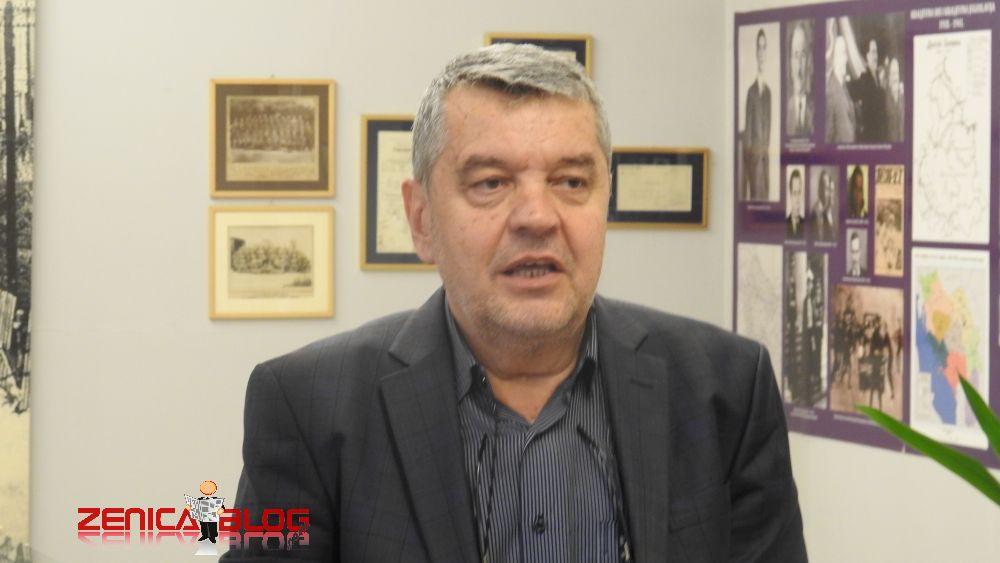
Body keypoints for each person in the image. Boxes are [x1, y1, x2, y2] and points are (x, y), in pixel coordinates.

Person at [226, 44, 807, 562]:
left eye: (571, 181)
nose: (537, 216)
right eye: (491, 183)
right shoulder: (307, 406)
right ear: (421, 219)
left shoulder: (726, 390)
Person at [743, 28, 772, 200]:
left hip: (765, 164)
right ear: (756, 52)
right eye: (759, 47)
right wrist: (750, 166)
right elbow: (747, 135)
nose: (761, 52)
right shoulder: (751, 92)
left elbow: (768, 134)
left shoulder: (768, 93)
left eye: (764, 47)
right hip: (754, 166)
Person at [848, 39, 886, 142]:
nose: (876, 56)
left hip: (881, 138)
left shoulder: (878, 79)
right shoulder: (865, 79)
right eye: (873, 52)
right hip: (871, 139)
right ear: (867, 56)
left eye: (876, 52)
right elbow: (850, 92)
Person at [825, 35, 856, 144]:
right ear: (834, 58)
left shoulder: (844, 87)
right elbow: (827, 137)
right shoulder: (830, 91)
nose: (846, 59)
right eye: (843, 53)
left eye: (845, 53)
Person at [786, 22, 814, 137]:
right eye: (795, 54)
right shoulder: (784, 111)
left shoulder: (817, 110)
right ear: (790, 62)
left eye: (803, 55)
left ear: (808, 62)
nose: (799, 63)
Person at [810, 169, 836, 241]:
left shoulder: (826, 211)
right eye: (826, 188)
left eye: (830, 190)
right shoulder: (816, 212)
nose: (829, 194)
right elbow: (819, 240)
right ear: (820, 189)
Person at [884, 57, 904, 142]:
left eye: (897, 73)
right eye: (893, 73)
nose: (895, 76)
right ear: (889, 76)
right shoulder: (884, 97)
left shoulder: (903, 96)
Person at [786, 168, 805, 239]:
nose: (798, 200)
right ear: (790, 195)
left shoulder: (806, 224)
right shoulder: (784, 224)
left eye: (799, 192)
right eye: (794, 193)